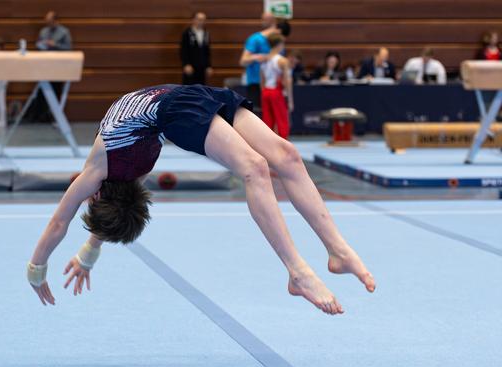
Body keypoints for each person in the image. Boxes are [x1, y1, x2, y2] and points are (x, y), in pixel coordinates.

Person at [26, 84, 376, 315]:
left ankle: (338, 251)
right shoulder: (115, 173)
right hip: (174, 108)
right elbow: (70, 218)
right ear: (99, 196)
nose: (85, 199)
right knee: (254, 167)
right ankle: (298, 272)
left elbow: (63, 220)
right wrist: (76, 256)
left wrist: (46, 267)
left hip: (188, 98)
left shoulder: (104, 168)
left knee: (286, 156)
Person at [239, 13, 291, 109]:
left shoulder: (278, 43)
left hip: (273, 87)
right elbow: (243, 61)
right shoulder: (255, 39)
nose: (282, 42)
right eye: (282, 39)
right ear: (278, 31)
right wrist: (257, 57)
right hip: (255, 84)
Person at [260, 34, 292, 138]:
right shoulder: (282, 61)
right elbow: (287, 81)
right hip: (276, 92)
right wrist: (290, 100)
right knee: (282, 119)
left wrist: (264, 92)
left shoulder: (263, 59)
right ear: (279, 44)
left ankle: (268, 143)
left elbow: (262, 80)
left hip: (265, 92)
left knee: (267, 120)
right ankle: (284, 141)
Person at [180, 12, 213, 85]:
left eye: (203, 20)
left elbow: (207, 51)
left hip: (202, 66)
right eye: (199, 19)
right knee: (189, 87)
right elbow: (183, 50)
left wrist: (208, 66)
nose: (201, 22)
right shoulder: (187, 33)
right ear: (194, 20)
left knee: (201, 87)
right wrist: (186, 64)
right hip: (191, 66)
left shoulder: (205, 33)